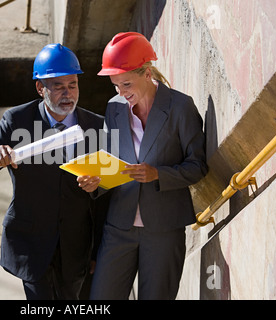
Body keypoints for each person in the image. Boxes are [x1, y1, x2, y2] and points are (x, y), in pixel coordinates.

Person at [0, 43, 105, 300]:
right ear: (40, 88)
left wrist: (98, 186)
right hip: (31, 245)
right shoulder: (18, 120)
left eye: (72, 85)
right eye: (58, 86)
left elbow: (109, 191)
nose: (68, 93)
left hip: (78, 248)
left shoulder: (97, 126)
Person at [78, 32, 208, 299]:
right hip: (118, 228)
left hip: (163, 230)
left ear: (147, 73)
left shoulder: (180, 107)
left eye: (126, 84)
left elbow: (198, 166)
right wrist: (96, 182)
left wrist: (158, 174)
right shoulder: (114, 108)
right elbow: (109, 163)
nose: (121, 93)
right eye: (116, 86)